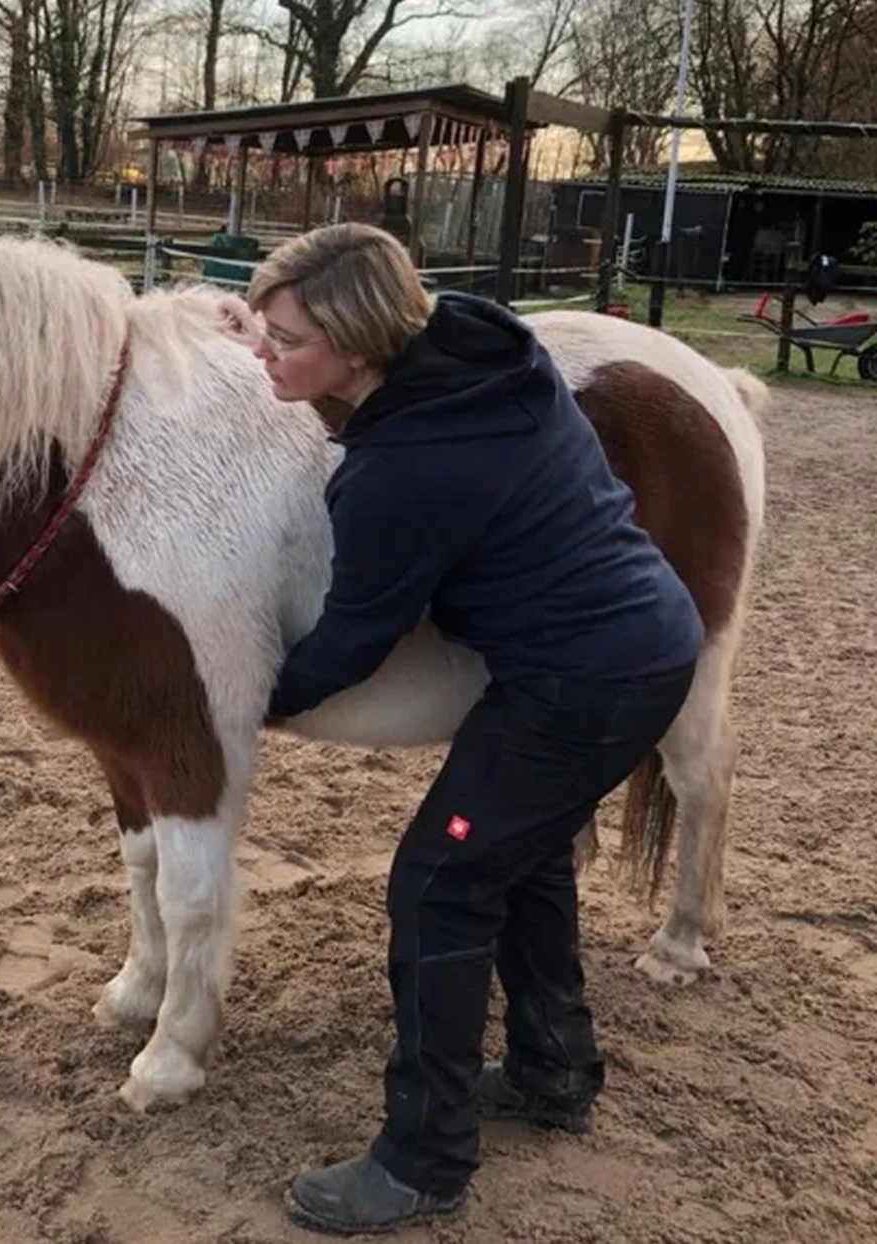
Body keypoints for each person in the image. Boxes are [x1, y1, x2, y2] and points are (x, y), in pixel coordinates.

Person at [244, 223, 702, 1235]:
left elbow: (354, 640)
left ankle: (423, 1157)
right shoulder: (480, 347)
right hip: (637, 645)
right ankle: (553, 1069)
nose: (261, 353)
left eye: (284, 338)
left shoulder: (401, 469)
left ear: (359, 352)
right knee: (521, 857)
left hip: (583, 682)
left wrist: (253, 697)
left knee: (439, 881)